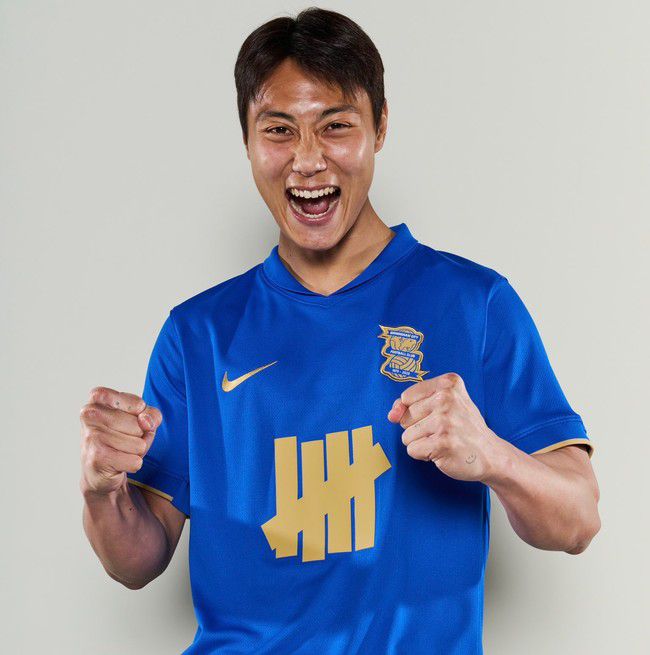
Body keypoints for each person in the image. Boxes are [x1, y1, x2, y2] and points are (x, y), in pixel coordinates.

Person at [79, 7, 601, 654]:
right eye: (279, 130)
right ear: (247, 141)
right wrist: (102, 492)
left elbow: (578, 518)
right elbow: (137, 560)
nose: (306, 160)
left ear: (380, 127)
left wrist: (492, 455)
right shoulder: (198, 333)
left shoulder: (475, 303)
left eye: (335, 126)